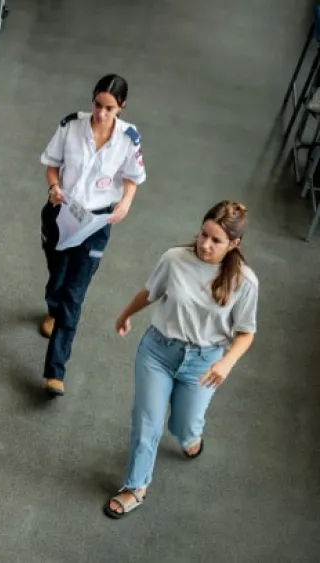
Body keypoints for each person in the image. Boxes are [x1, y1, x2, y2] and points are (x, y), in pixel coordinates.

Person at [105, 201, 257, 519]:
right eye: (203, 234)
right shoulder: (175, 259)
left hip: (204, 362)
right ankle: (135, 487)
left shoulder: (244, 282)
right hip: (157, 352)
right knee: (147, 423)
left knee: (184, 424)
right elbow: (150, 292)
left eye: (216, 240)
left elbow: (246, 333)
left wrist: (226, 363)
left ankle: (190, 435)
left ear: (234, 244)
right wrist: (126, 314)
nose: (205, 244)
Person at [38, 73, 147, 397]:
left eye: (109, 108)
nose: (101, 113)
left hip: (95, 223)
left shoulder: (128, 139)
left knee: (74, 294)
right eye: (98, 104)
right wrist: (54, 187)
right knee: (57, 277)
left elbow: (133, 177)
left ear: (121, 107)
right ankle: (52, 307)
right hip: (61, 212)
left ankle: (55, 372)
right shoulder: (71, 126)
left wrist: (126, 202)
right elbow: (52, 163)